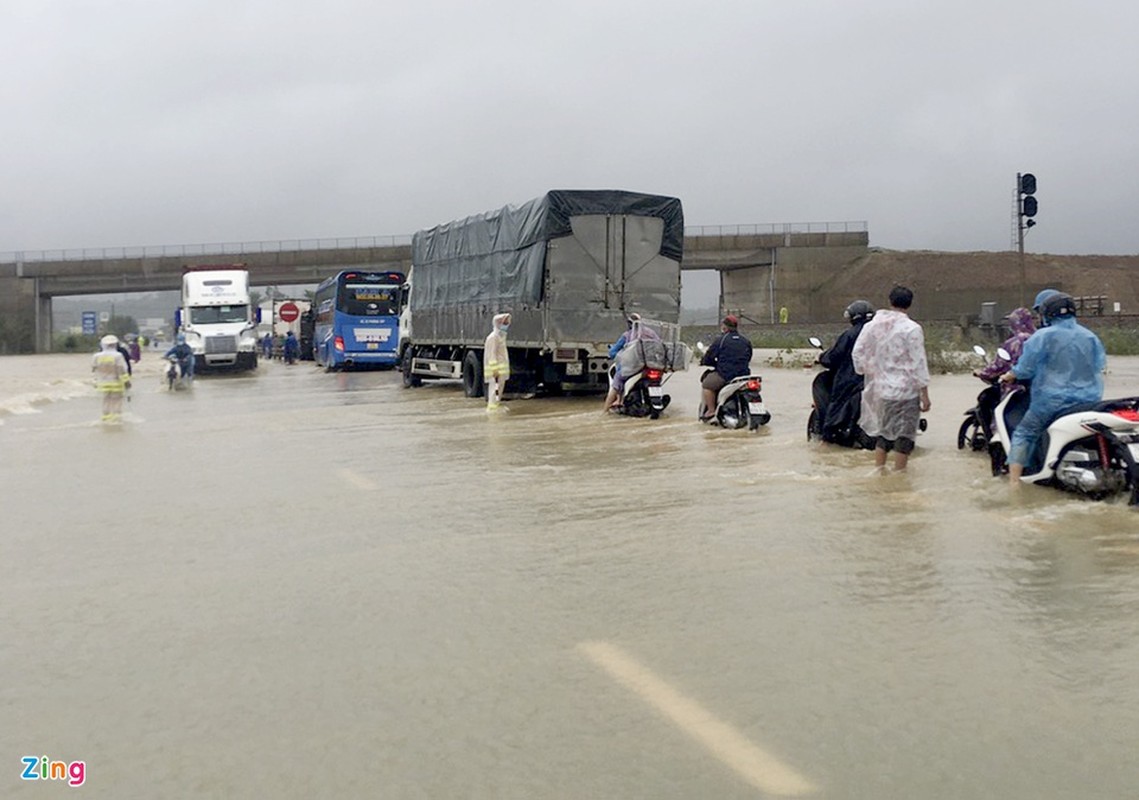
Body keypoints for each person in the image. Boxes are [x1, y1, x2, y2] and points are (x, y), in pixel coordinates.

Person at [1000, 292, 1106, 484]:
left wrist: (1009, 375)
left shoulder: (1042, 336)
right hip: (1089, 401)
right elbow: (1099, 365)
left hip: (1051, 402)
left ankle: (1014, 484)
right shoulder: (1090, 336)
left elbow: (1025, 368)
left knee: (1024, 433)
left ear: (1047, 314)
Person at [851, 285, 931, 471]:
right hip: (907, 392)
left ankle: (879, 471)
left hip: (882, 391)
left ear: (890, 301)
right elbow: (918, 362)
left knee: (884, 433)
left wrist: (869, 371)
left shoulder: (873, 326)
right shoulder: (912, 329)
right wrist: (925, 394)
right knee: (905, 435)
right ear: (909, 304)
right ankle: (899, 475)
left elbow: (858, 353)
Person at [817, 300, 874, 445]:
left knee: (835, 406)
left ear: (853, 317)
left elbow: (834, 356)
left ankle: (828, 437)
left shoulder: (850, 335)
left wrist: (823, 357)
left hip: (852, 380)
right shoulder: (879, 332)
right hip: (877, 379)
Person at [603, 313, 662, 412]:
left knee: (617, 380)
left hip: (632, 368)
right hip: (650, 367)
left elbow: (613, 352)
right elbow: (660, 346)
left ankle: (605, 411)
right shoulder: (651, 333)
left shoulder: (627, 335)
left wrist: (612, 352)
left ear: (629, 324)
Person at [700, 315, 753, 420]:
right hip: (744, 376)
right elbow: (749, 357)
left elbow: (709, 356)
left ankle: (711, 411)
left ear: (725, 327)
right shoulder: (745, 341)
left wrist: (705, 362)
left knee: (707, 385)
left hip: (725, 375)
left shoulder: (721, 340)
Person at [92, 334, 130, 423]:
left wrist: (95, 381)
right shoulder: (118, 356)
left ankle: (105, 418)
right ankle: (116, 419)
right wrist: (126, 381)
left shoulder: (97, 356)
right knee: (116, 400)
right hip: (116, 382)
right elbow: (122, 369)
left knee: (105, 400)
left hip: (102, 383)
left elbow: (94, 369)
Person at [484, 313, 511, 410]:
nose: (505, 325)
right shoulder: (493, 337)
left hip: (500, 371)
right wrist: (495, 370)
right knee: (494, 393)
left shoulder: (500, 336)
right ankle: (492, 412)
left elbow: (501, 355)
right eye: (503, 323)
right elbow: (491, 355)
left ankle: (495, 409)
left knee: (498, 392)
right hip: (496, 372)